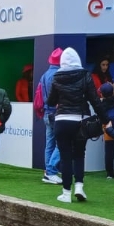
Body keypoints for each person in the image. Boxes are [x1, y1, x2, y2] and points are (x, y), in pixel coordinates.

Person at [46, 48, 101, 203]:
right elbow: (95, 100)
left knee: (65, 157)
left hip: (62, 120)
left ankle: (65, 193)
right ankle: (79, 186)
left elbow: (50, 101)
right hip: (80, 120)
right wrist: (104, 119)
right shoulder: (85, 75)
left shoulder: (57, 77)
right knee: (79, 154)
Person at [35, 48, 63, 184]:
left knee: (50, 143)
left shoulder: (45, 74)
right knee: (61, 143)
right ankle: (51, 171)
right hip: (55, 113)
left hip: (47, 112)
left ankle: (48, 171)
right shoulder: (58, 74)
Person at [98, 82, 114, 178]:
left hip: (107, 127)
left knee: (109, 151)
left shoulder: (101, 105)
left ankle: (109, 173)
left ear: (102, 94)